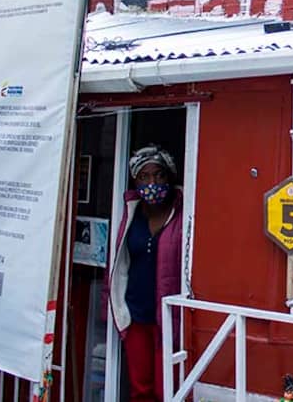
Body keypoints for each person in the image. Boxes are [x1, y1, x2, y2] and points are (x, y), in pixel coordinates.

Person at [106, 145, 183, 402]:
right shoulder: (130, 214)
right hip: (137, 315)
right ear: (135, 180)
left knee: (168, 389)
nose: (153, 182)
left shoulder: (182, 213)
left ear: (170, 177)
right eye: (144, 176)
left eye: (159, 175)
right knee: (141, 389)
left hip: (169, 318)